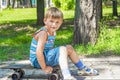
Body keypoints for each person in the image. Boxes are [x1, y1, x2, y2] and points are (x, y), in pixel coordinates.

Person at [29, 7, 99, 80]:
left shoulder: (52, 31)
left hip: (45, 55)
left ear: (61, 22)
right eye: (51, 21)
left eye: (57, 22)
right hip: (37, 60)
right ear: (45, 20)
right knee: (62, 49)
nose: (54, 24)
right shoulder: (43, 33)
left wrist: (58, 54)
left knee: (69, 48)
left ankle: (82, 68)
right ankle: (67, 76)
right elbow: (38, 51)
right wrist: (44, 67)